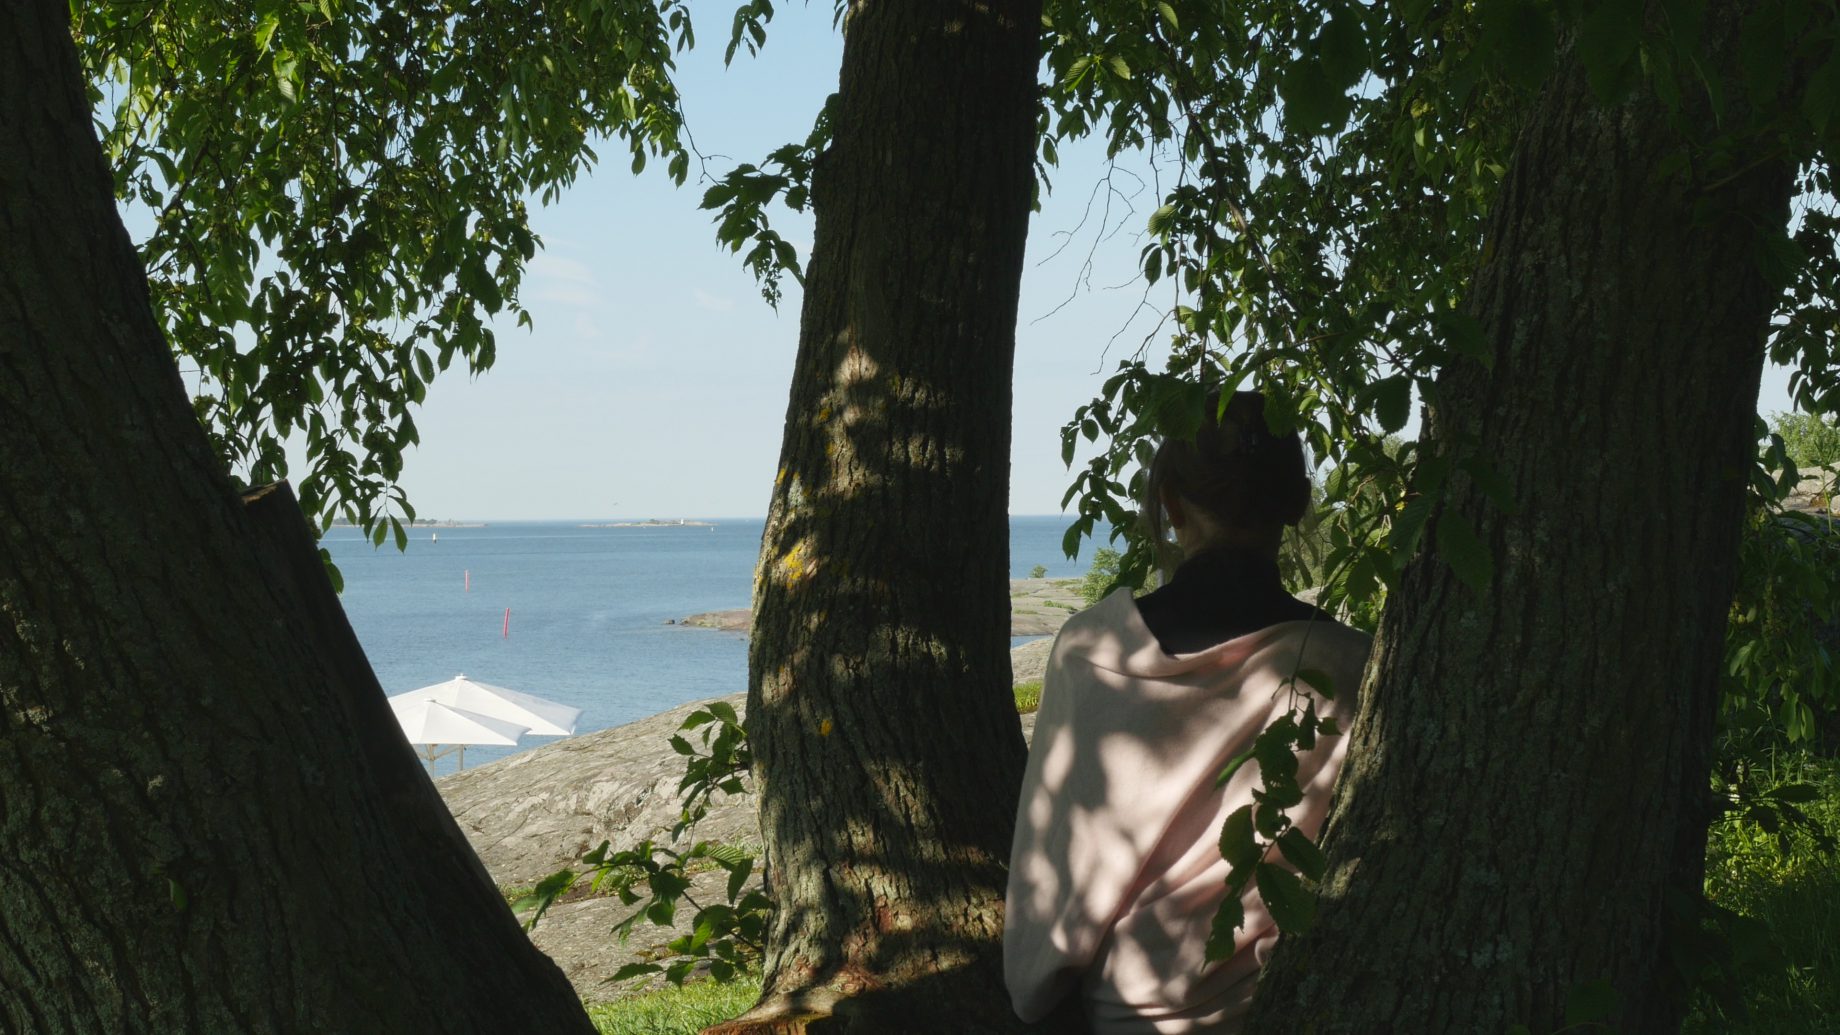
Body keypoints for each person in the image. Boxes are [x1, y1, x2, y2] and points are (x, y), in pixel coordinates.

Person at [1004, 391, 1371, 1033]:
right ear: (1295, 503)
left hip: (1123, 1016)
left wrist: (1034, 994)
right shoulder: (1350, 665)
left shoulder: (1093, 651)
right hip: (1291, 1010)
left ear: (1170, 504)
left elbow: (1052, 884)